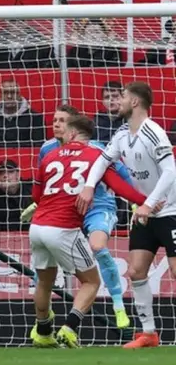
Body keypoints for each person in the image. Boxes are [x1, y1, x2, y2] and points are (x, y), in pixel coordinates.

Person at [29, 114, 146, 349]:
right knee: (91, 282)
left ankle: (43, 332)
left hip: (37, 226)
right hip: (63, 228)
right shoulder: (96, 156)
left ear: (72, 133)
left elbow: (36, 196)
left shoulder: (49, 155)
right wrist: (146, 202)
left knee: (44, 282)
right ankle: (69, 329)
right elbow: (119, 186)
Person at [77, 81, 176, 349]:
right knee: (135, 271)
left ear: (134, 102)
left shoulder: (154, 133)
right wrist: (89, 186)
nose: (117, 101)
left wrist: (148, 203)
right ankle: (148, 334)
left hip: (171, 212)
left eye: (122, 97)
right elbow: (102, 160)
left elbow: (171, 171)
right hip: (147, 215)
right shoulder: (122, 134)